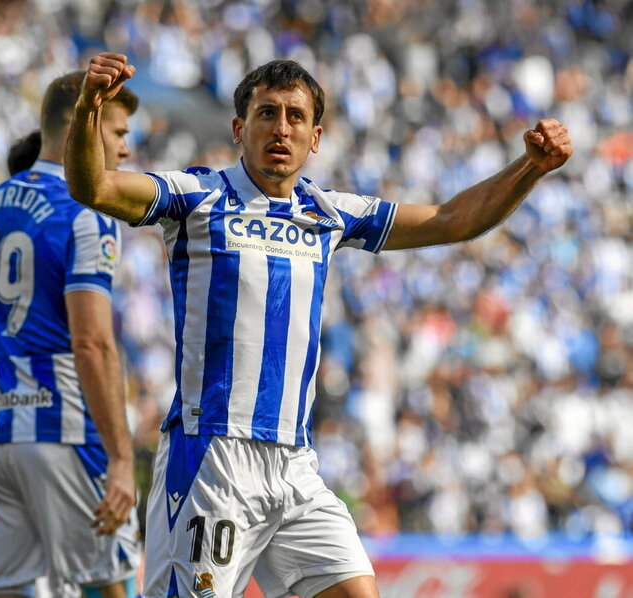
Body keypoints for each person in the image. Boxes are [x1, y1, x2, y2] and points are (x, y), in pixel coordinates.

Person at [65, 52, 573, 598]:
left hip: (294, 463)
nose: (280, 128)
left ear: (316, 137)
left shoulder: (330, 212)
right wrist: (87, 110)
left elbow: (454, 220)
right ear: (239, 128)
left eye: (295, 116)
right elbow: (95, 188)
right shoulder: (196, 195)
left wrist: (530, 171)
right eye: (266, 114)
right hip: (212, 456)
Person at [0, 70, 142, 598]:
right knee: (107, 586)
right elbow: (91, 342)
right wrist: (120, 457)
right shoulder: (87, 208)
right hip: (61, 428)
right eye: (117, 134)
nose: (125, 152)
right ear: (81, 129)